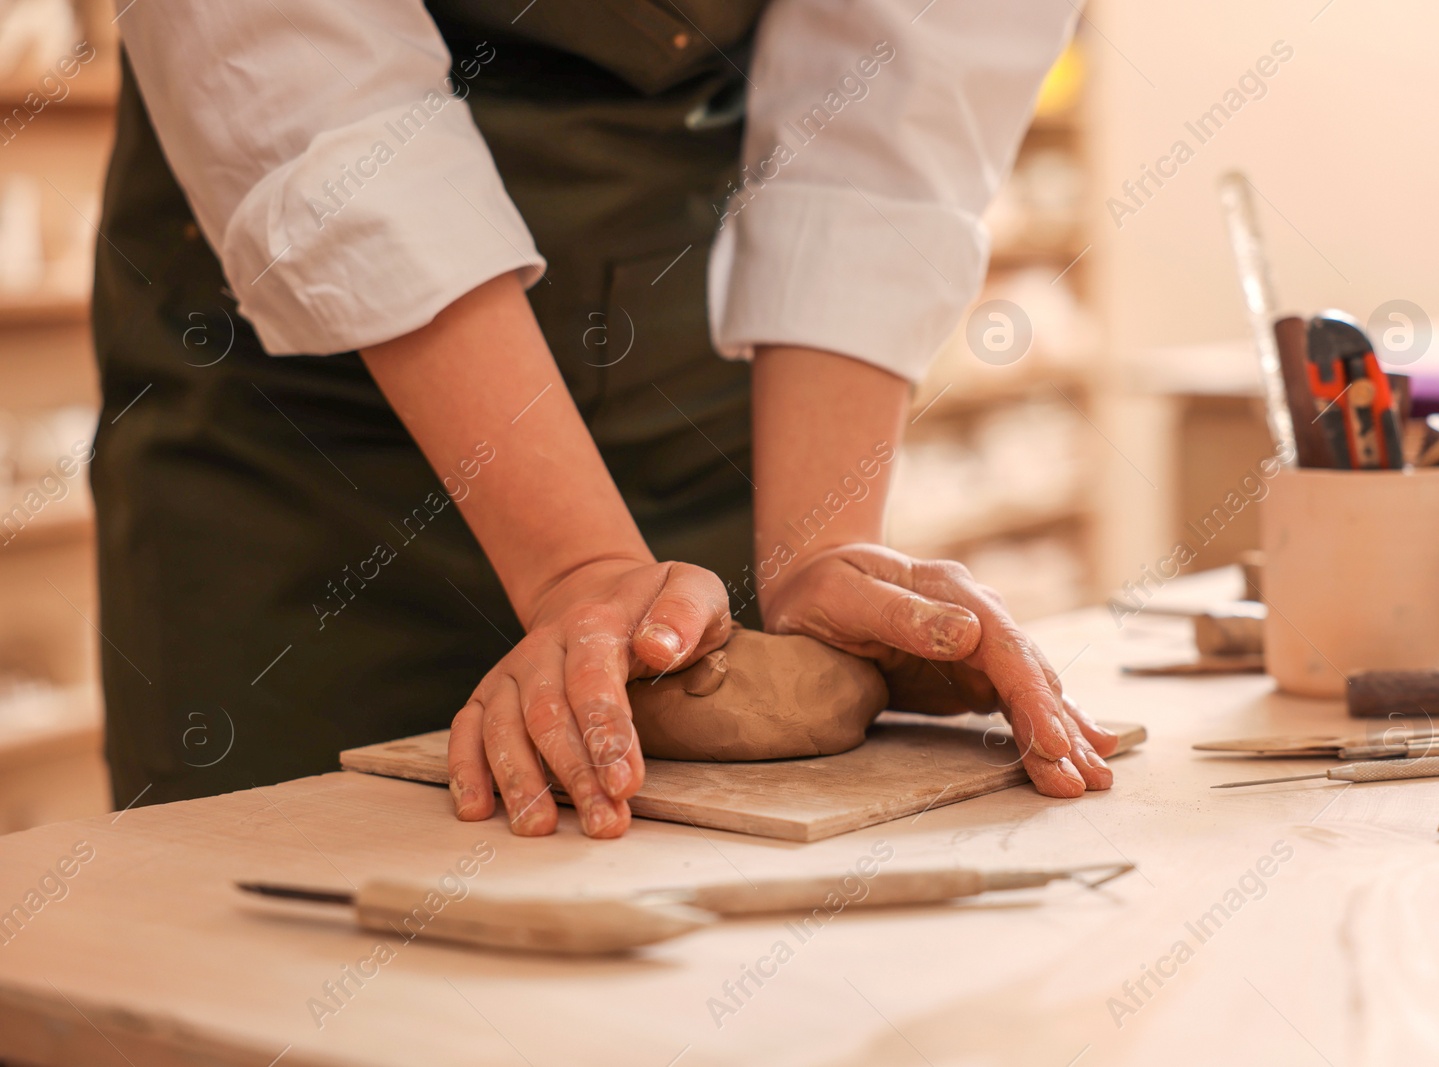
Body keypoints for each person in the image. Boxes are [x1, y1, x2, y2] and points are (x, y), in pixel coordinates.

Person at [93, 0, 1117, 837]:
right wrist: (573, 562)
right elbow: (288, 63)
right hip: (303, 423)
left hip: (694, 360)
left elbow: (900, 88)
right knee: (280, 943)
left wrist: (819, 540)